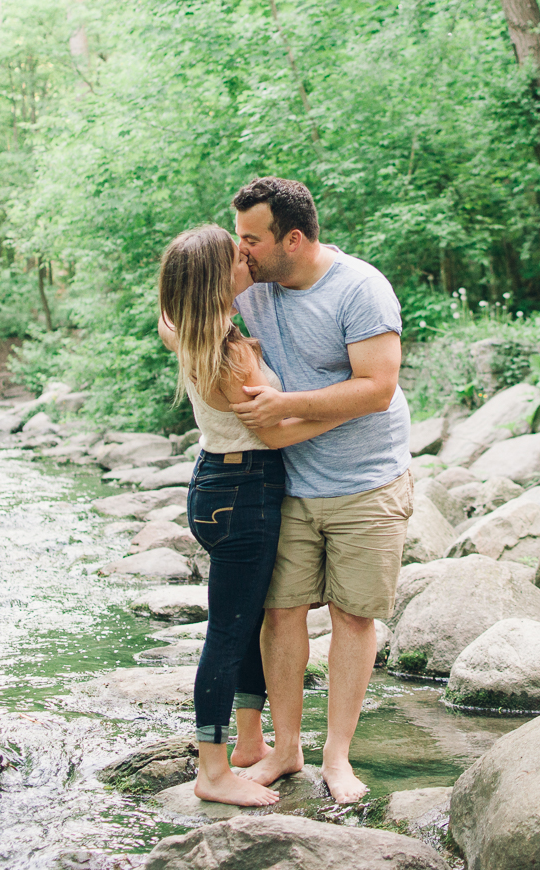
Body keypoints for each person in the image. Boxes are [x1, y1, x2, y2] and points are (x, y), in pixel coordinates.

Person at [224, 177, 411, 805]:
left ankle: (338, 757)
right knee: (280, 613)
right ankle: (285, 750)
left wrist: (288, 407)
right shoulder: (254, 283)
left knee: (353, 616)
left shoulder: (361, 288)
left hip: (367, 482)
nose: (240, 250)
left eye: (252, 239)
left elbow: (378, 387)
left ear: (293, 239)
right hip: (292, 482)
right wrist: (180, 322)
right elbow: (181, 312)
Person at [155, 224, 346, 806]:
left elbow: (176, 296)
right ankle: (212, 772)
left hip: (218, 482)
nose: (250, 263)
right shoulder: (232, 357)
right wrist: (353, 408)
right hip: (244, 488)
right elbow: (278, 429)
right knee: (230, 633)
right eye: (239, 259)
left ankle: (245, 743)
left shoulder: (181, 329)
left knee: (247, 622)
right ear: (220, 281)